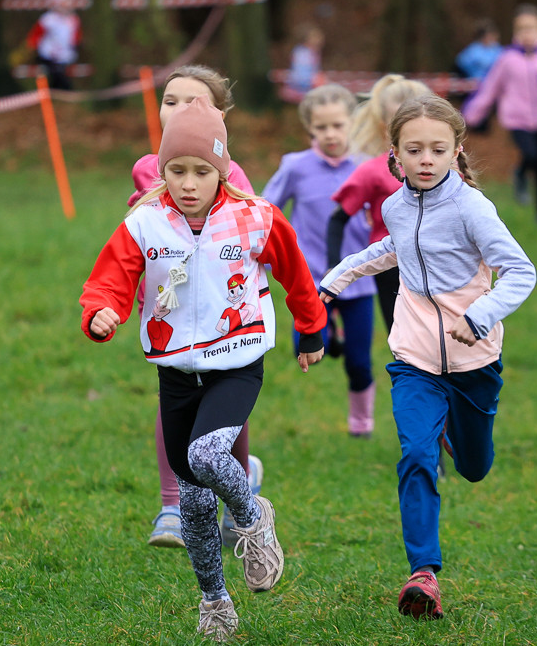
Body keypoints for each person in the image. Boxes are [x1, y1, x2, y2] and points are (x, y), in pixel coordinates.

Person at [80, 95, 326, 641]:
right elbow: (110, 280)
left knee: (206, 454)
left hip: (237, 363)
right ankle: (215, 602)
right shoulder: (145, 223)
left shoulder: (255, 218)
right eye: (177, 171)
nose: (188, 184)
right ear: (162, 171)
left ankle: (253, 519)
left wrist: (311, 327)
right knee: (192, 501)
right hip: (175, 373)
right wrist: (100, 313)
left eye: (201, 171)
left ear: (222, 170)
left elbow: (296, 273)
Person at [320, 93, 536, 621]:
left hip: (474, 362)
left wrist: (480, 316)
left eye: (437, 150)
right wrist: (334, 280)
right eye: (414, 149)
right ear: (394, 153)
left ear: (456, 150)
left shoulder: (471, 208)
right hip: (413, 358)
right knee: (416, 455)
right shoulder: (394, 206)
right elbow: (392, 248)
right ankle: (423, 574)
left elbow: (521, 271)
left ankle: (455, 434)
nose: (425, 159)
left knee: (475, 467)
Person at [129, 64, 263, 550]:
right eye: (170, 101)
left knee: (225, 409)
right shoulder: (147, 167)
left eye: (193, 102)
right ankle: (171, 506)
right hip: (168, 309)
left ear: (221, 116)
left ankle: (240, 489)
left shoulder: (232, 174)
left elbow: (252, 231)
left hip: (222, 313)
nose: (178, 109)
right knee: (174, 401)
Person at [262, 84, 378, 437]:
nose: (330, 134)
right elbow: (266, 209)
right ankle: (330, 333)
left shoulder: (368, 164)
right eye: (321, 127)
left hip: (359, 280)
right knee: (306, 346)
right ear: (309, 128)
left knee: (359, 362)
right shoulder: (295, 166)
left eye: (338, 125)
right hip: (311, 279)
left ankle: (361, 423)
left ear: (352, 123)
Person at [327, 75, 431, 333]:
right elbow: (338, 218)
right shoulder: (373, 171)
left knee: (443, 337)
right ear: (386, 127)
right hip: (391, 266)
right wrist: (334, 267)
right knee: (403, 339)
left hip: (439, 261)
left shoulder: (446, 169)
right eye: (400, 122)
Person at [462, 4, 537, 225]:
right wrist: (471, 114)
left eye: (531, 27)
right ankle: (520, 174)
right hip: (517, 120)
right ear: (515, 32)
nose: (527, 33)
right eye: (522, 28)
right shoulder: (507, 59)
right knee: (531, 155)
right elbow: (490, 88)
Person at [26, 0, 81, 91]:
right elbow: (36, 35)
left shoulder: (73, 20)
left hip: (65, 56)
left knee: (63, 77)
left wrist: (75, 47)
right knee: (55, 77)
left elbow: (75, 38)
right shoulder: (48, 19)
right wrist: (32, 48)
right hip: (48, 56)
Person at [279, 23, 325, 104]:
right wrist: (315, 79)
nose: (319, 39)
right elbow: (301, 74)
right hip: (302, 87)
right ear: (307, 39)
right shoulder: (302, 53)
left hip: (308, 85)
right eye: (315, 36)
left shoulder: (312, 52)